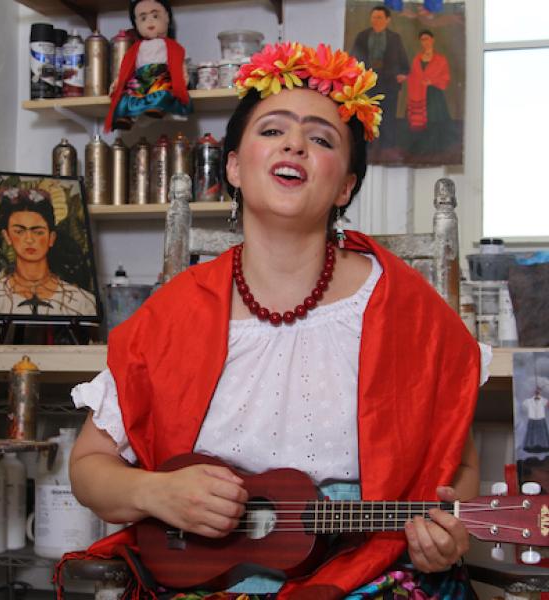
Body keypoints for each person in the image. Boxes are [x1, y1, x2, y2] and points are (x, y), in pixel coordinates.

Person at [64, 42, 488, 599]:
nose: (294, 143)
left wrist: (447, 533)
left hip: (367, 568)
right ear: (234, 168)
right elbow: (89, 468)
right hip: (208, 578)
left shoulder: (406, 308)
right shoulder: (174, 313)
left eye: (321, 138)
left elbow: (458, 467)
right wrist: (156, 495)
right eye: (272, 130)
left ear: (345, 186)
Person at [0, 188, 97, 317]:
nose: (29, 239)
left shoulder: (82, 302)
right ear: (7, 236)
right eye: (19, 231)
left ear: (51, 238)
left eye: (38, 232)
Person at [104, 0, 191, 132]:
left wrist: (183, 77)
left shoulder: (171, 46)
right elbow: (126, 69)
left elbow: (178, 64)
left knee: (161, 88)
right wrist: (117, 83)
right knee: (128, 94)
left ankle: (157, 107)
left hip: (161, 74)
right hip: (141, 76)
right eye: (143, 18)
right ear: (136, 23)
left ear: (166, 17)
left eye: (155, 16)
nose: (149, 22)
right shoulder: (135, 49)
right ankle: (126, 117)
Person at [351, 5, 409, 153]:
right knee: (366, 115)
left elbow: (404, 62)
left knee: (388, 115)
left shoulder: (395, 39)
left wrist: (403, 74)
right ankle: (367, 148)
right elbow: (352, 59)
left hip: (389, 83)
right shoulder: (362, 36)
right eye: (373, 17)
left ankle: (387, 147)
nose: (375, 20)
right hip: (367, 83)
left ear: (388, 20)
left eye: (379, 17)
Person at [406, 30, 455, 157]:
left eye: (427, 39)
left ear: (432, 40)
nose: (425, 42)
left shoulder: (441, 60)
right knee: (420, 123)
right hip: (418, 94)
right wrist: (408, 78)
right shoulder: (417, 59)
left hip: (434, 94)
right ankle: (421, 149)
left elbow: (446, 78)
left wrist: (431, 81)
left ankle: (435, 150)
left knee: (434, 121)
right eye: (422, 40)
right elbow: (413, 76)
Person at [522, 388, 549, 454]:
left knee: (542, 434)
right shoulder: (528, 401)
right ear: (534, 392)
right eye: (536, 392)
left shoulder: (544, 400)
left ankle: (544, 446)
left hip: (541, 418)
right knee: (531, 433)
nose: (537, 393)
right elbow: (524, 406)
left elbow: (547, 405)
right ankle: (531, 447)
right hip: (532, 418)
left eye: (538, 392)